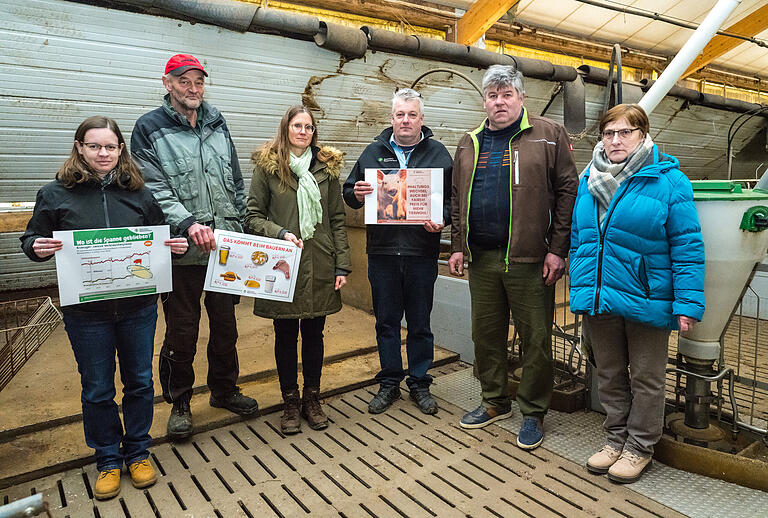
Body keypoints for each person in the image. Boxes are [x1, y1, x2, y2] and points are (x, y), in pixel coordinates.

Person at [20, 116, 188, 500]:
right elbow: (32, 237)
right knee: (97, 389)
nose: (103, 153)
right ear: (79, 147)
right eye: (94, 146)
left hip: (138, 308)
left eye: (110, 147)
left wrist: (174, 246)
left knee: (140, 382)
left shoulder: (140, 193)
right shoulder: (55, 194)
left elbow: (161, 237)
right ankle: (108, 460)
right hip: (87, 314)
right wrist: (36, 248)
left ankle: (138, 452)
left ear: (120, 150)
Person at [569, 103, 704, 483]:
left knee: (647, 377)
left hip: (646, 295)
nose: (616, 140)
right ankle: (614, 439)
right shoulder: (588, 179)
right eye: (609, 132)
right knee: (609, 373)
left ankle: (639, 447)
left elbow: (687, 244)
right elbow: (580, 240)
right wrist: (581, 287)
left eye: (625, 132)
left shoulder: (667, 180)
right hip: (600, 296)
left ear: (643, 135)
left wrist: (688, 303)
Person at [448, 65, 578, 449]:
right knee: (486, 335)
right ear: (484, 101)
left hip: (530, 259)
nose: (499, 102)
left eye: (507, 94)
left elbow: (568, 191)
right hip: (483, 259)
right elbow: (458, 200)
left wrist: (557, 249)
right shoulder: (468, 142)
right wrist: (458, 245)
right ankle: (494, 401)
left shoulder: (549, 135)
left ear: (521, 98)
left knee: (535, 338)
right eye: (492, 95)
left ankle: (534, 412)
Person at [131, 54, 258, 441]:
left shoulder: (217, 123)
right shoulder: (149, 128)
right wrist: (188, 223)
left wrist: (240, 226)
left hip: (224, 248)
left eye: (199, 82)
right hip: (181, 249)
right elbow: (153, 188)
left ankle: (223, 390)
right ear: (167, 83)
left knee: (226, 326)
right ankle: (180, 402)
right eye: (184, 81)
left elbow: (234, 181)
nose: (193, 89)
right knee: (182, 330)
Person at [343, 89, 453, 415]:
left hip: (421, 253)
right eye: (400, 115)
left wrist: (443, 217)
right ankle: (389, 381)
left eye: (412, 115)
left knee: (420, 322)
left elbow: (453, 199)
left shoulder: (439, 155)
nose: (405, 120)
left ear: (422, 119)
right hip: (382, 253)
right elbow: (350, 192)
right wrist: (358, 193)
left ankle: (419, 382)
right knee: (386, 322)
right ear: (391, 119)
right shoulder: (372, 152)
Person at [245, 105, 351, 434]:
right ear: (286, 129)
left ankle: (312, 398)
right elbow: (251, 216)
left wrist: (342, 263)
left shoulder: (326, 168)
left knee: (315, 333)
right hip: (282, 264)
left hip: (319, 260)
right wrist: (279, 233)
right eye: (297, 126)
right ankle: (290, 401)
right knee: (286, 334)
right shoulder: (269, 167)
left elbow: (336, 219)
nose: (303, 132)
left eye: (308, 127)